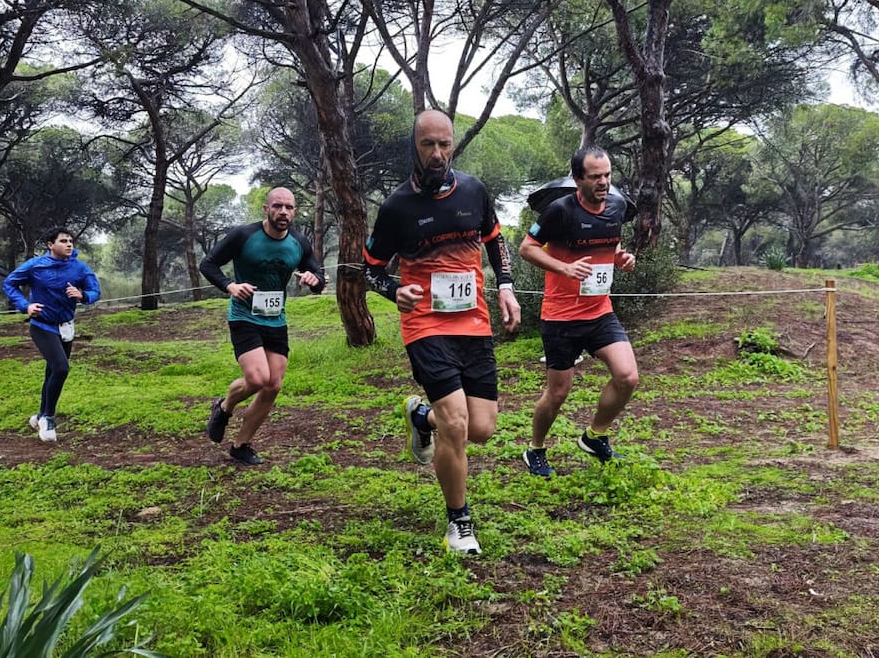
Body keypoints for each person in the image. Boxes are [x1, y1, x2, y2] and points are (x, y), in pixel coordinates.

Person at [363, 109, 521, 555]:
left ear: (453, 143)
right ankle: (459, 523)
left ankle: (419, 417)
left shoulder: (473, 190)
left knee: (481, 428)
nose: (437, 153)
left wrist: (506, 287)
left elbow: (495, 238)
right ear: (414, 147)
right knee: (455, 423)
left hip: (472, 320)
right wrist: (394, 291)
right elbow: (369, 270)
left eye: (445, 144)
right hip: (426, 323)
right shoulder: (397, 207)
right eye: (428, 145)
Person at [517, 146, 639, 477]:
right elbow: (526, 248)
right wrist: (564, 268)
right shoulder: (559, 211)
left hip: (599, 311)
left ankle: (594, 436)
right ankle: (536, 449)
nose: (604, 182)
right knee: (558, 393)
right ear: (578, 179)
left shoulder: (616, 205)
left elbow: (610, 242)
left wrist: (621, 258)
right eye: (596, 177)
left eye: (607, 175)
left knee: (628, 376)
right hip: (561, 317)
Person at [200, 187, 326, 466]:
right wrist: (230, 285)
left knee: (273, 385)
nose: (283, 212)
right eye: (277, 206)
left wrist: (314, 279)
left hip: (275, 319)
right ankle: (224, 407)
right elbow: (208, 264)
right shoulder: (243, 235)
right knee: (257, 379)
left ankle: (240, 445)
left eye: (289, 207)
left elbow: (318, 275)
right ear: (266, 209)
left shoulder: (299, 242)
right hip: (244, 316)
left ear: (295, 211)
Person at [2, 228, 101, 442]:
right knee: (61, 367)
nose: (69, 244)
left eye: (71, 241)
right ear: (50, 244)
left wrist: (82, 295)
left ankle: (39, 416)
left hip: (65, 327)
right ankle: (48, 417)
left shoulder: (79, 268)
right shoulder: (35, 265)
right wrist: (25, 306)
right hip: (42, 325)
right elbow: (9, 283)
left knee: (52, 372)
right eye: (63, 241)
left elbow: (95, 291)